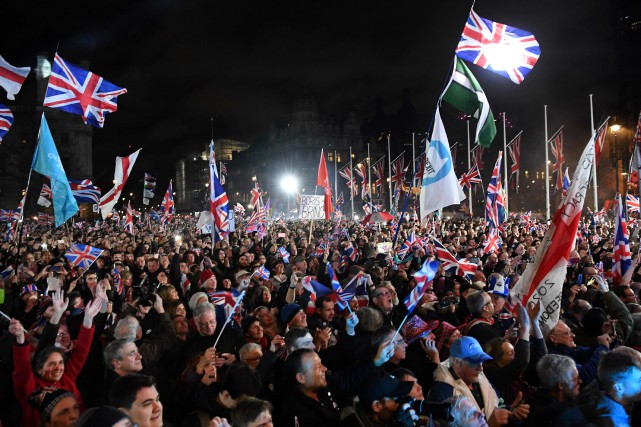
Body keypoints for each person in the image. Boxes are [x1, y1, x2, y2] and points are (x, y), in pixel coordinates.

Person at [10, 296, 101, 427]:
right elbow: (22, 369)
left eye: (60, 363)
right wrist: (20, 339)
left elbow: (81, 352)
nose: (58, 368)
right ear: (39, 369)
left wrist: (88, 318)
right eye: (51, 364)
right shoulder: (32, 390)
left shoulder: (66, 378)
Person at [428, 336, 529, 426]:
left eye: (482, 361)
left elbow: (494, 408)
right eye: (475, 363)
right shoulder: (442, 393)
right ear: (457, 362)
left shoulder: (479, 377)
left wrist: (509, 412)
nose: (481, 368)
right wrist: (489, 425)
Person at [526, 354, 585, 427]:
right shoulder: (563, 416)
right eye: (576, 379)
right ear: (561, 385)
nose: (580, 381)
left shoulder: (532, 403)